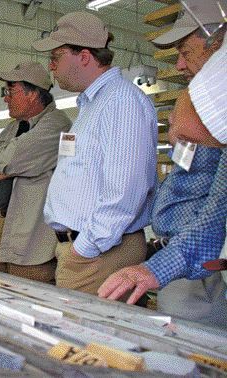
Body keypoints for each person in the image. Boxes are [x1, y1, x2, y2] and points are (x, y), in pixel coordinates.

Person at [98, 2, 227, 326]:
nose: (180, 64)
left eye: (186, 51)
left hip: (200, 267)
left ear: (218, 39)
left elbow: (215, 212)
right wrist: (156, 268)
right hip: (186, 255)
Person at [32, 12, 157, 295]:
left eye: (56, 56)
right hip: (88, 252)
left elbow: (125, 190)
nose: (51, 66)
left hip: (100, 254)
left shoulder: (121, 101)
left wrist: (84, 248)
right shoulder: (93, 104)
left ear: (84, 56)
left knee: (86, 337)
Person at [0, 62, 71, 283]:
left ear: (33, 93)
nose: (5, 97)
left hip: (31, 239)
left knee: (27, 301)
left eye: (11, 90)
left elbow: (11, 159)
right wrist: (1, 168)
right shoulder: (13, 127)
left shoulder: (56, 125)